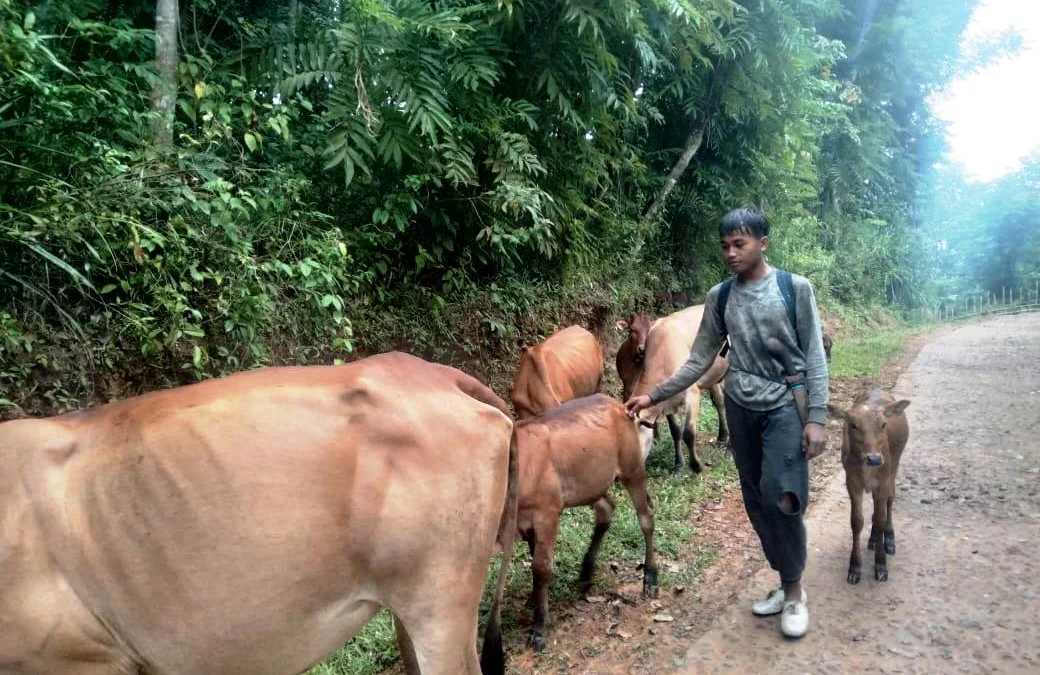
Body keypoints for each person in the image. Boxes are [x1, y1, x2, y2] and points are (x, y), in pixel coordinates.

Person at [624, 207, 829, 639]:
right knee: (756, 500)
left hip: (786, 406)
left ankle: (794, 594)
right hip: (740, 406)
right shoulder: (721, 296)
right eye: (725, 246)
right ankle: (783, 577)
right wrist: (654, 394)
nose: (731, 253)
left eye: (740, 244)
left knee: (782, 494)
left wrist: (817, 418)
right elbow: (700, 360)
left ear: (763, 243)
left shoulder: (794, 289)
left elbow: (814, 356)